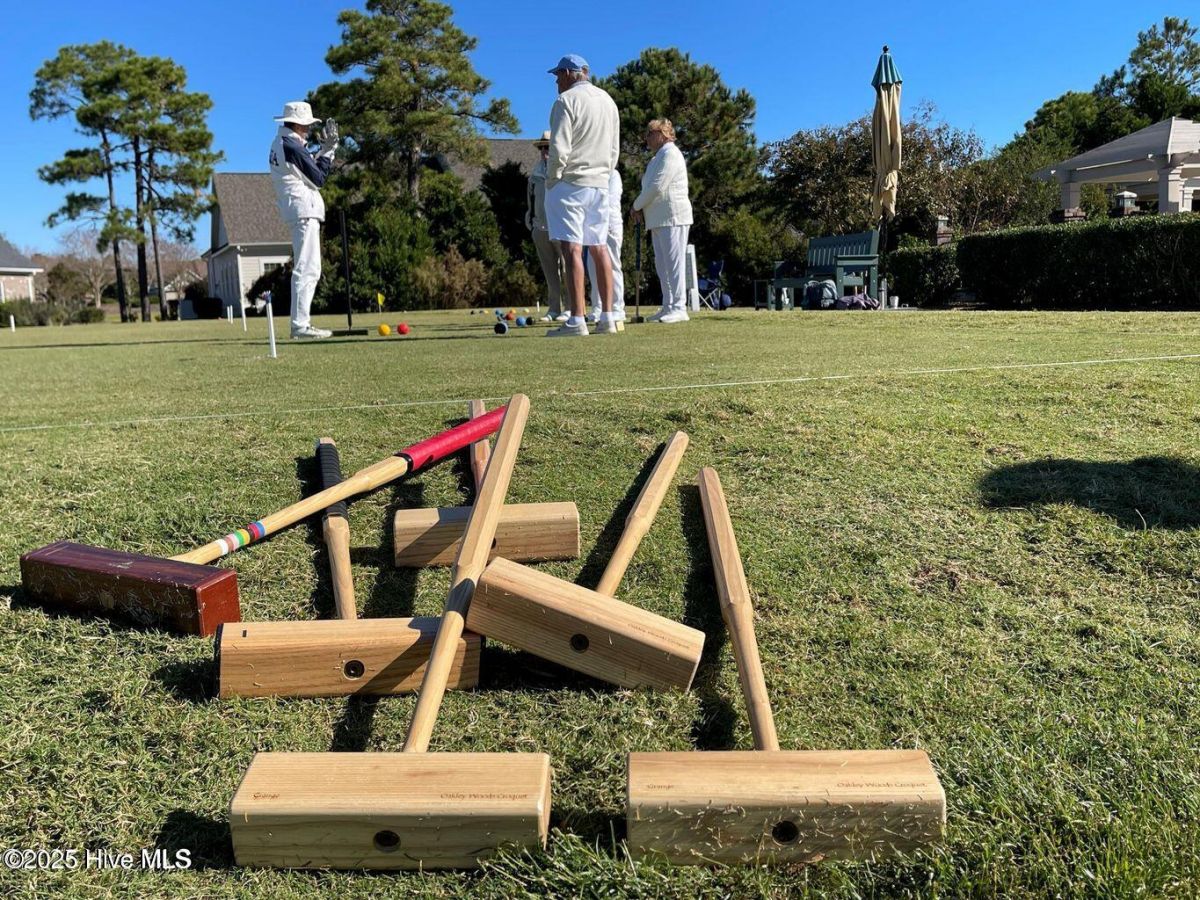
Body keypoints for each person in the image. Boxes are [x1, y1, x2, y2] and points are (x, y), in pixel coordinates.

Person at [542, 54, 621, 338]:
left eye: (557, 76)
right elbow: (614, 149)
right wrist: (603, 175)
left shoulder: (565, 101)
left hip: (570, 183)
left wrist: (552, 180)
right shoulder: (608, 101)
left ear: (568, 73)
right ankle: (608, 317)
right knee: (599, 247)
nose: (556, 82)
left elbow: (559, 148)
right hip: (600, 183)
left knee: (572, 248)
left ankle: (577, 319)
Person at [268, 100, 338, 339]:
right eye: (306, 125)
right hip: (303, 210)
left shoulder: (282, 143)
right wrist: (328, 151)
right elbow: (318, 178)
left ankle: (300, 324)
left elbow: (307, 172)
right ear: (296, 124)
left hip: (298, 210)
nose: (308, 129)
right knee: (307, 268)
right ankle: (300, 325)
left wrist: (322, 152)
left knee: (308, 267)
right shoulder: (292, 146)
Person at [631, 118, 693, 324]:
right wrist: (640, 207)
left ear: (662, 134)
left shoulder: (671, 154)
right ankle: (668, 305)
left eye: (650, 133)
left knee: (674, 264)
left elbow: (657, 186)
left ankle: (679, 307)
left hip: (673, 216)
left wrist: (636, 205)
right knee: (662, 265)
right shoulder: (656, 158)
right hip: (658, 219)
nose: (647, 138)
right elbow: (648, 187)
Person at [526, 131, 568, 322]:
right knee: (550, 271)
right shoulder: (534, 175)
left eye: (548, 147)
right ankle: (554, 309)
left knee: (567, 268)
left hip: (561, 226)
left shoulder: (565, 172)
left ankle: (571, 308)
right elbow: (531, 202)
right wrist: (532, 223)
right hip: (540, 228)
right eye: (542, 147)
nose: (544, 151)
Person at [586, 167, 625, 323]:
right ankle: (597, 307)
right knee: (593, 267)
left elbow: (609, 201)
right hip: (593, 227)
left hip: (610, 225)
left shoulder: (613, 175)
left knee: (612, 266)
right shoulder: (592, 174)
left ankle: (617, 308)